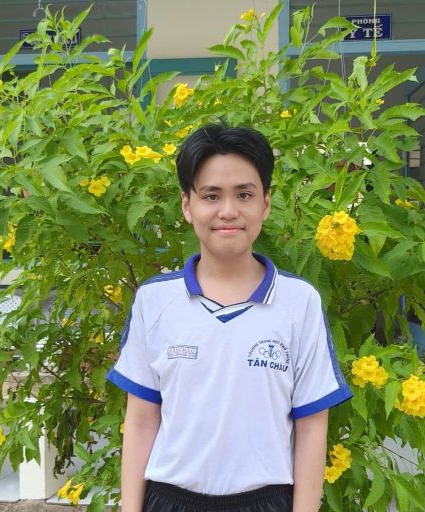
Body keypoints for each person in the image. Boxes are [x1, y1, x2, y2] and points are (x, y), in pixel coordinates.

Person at [107, 123, 352, 512]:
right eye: (211, 195)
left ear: (265, 204)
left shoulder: (299, 302)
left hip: (265, 501)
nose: (228, 211)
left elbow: (311, 426)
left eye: (244, 194)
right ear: (187, 205)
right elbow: (140, 421)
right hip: (170, 500)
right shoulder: (154, 301)